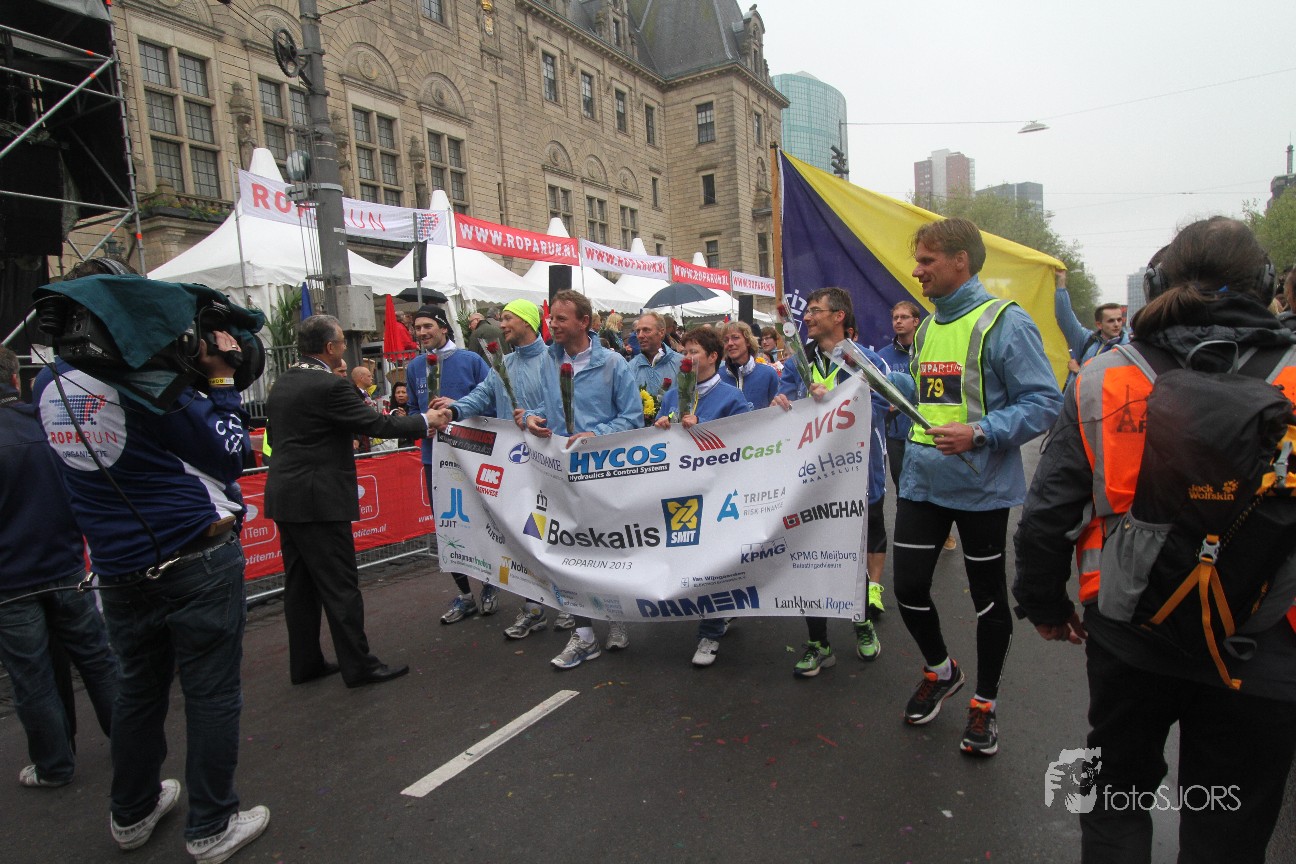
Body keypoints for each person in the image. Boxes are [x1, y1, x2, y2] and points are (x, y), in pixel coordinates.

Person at [1014, 218, 1296, 862]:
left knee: (1116, 798)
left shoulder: (1105, 377)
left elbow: (1049, 511)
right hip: (1266, 643)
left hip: (1131, 631)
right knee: (1227, 830)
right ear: (1266, 284)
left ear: (1155, 282)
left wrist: (1045, 604)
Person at [34, 320, 269, 859]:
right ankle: (212, 826)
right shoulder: (147, 382)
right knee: (211, 694)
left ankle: (132, 812)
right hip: (193, 558)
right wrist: (220, 380)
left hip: (116, 566)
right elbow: (230, 452)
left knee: (137, 690)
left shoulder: (48, 381)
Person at [889, 217, 1062, 756]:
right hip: (922, 480)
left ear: (960, 260)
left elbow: (1044, 402)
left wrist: (981, 432)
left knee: (988, 601)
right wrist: (877, 378)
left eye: (926, 261)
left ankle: (984, 703)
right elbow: (930, 395)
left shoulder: (1005, 321)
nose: (917, 271)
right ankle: (941, 670)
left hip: (981, 487)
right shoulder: (926, 328)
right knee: (907, 588)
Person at [266, 315, 433, 688]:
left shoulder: (283, 382)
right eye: (342, 342)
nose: (345, 349)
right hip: (320, 500)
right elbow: (378, 425)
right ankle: (359, 666)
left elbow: (275, 439)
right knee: (340, 586)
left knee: (300, 587)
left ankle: (305, 663)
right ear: (330, 347)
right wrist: (426, 419)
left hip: (286, 496)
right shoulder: (329, 385)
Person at [0, 346, 118, 789]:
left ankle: (54, 764)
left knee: (32, 677)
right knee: (97, 659)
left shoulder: (43, 424)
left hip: (11, 581)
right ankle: (131, 743)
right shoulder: (48, 425)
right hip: (65, 565)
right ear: (16, 380)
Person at [520, 289, 641, 668]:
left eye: (560, 319)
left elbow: (633, 417)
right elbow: (547, 407)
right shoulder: (549, 360)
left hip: (604, 476)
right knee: (568, 554)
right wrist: (531, 417)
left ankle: (616, 619)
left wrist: (595, 435)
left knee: (606, 551)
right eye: (551, 318)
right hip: (561, 474)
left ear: (584, 322)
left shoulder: (614, 364)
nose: (552, 325)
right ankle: (584, 635)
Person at [773, 287, 890, 676]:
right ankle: (818, 642)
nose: (807, 317)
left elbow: (886, 405)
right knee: (810, 556)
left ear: (839, 316)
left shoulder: (865, 359)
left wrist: (838, 400)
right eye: (807, 312)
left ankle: (862, 623)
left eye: (815, 311)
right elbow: (784, 405)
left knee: (851, 557)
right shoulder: (798, 362)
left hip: (857, 475)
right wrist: (784, 404)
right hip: (810, 479)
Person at [429, 299, 559, 639]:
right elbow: (481, 396)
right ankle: (533, 607)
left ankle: (567, 603)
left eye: (507, 319)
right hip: (511, 464)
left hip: (547, 463)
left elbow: (559, 403)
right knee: (521, 536)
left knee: (551, 535)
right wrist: (452, 411)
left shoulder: (552, 359)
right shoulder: (504, 363)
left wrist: (535, 417)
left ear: (528, 322)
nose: (501, 325)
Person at [654, 327, 752, 666]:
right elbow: (660, 437)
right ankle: (719, 612)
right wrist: (660, 427)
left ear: (713, 357)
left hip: (717, 494)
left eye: (694, 352)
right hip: (681, 491)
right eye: (684, 352)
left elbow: (744, 443)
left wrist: (705, 428)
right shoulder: (673, 394)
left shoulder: (731, 397)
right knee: (689, 557)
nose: (687, 357)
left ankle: (710, 633)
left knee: (714, 561)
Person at [403, 305, 496, 624]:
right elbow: (412, 409)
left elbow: (493, 404)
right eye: (417, 327)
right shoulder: (415, 366)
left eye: (428, 326)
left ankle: (489, 583)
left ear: (444, 328)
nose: (422, 332)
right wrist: (421, 424)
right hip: (434, 458)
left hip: (472, 456)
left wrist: (459, 408)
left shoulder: (471, 361)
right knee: (447, 526)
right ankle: (465, 595)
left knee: (481, 522)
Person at [876, 300, 922, 487]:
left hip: (923, 433)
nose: (898, 321)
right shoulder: (883, 355)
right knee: (902, 488)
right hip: (896, 435)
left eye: (904, 317)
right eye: (895, 318)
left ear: (916, 321)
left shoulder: (927, 350)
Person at [1055, 271, 1128, 388]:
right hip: (1079, 399)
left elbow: (1116, 382)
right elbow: (1065, 317)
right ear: (1099, 324)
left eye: (1119, 320)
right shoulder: (1086, 340)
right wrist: (1061, 281)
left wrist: (1079, 371)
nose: (1116, 324)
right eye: (1111, 321)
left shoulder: (1128, 348)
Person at [629, 311, 682, 423]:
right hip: (641, 431)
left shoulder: (681, 363)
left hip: (674, 430)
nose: (640, 335)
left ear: (661, 332)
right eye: (638, 331)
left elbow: (687, 402)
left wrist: (670, 417)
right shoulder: (629, 367)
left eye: (646, 330)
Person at [717, 320, 779, 409]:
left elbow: (778, 409)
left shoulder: (768, 374)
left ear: (748, 342)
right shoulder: (718, 377)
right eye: (726, 340)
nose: (730, 343)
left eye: (735, 337)